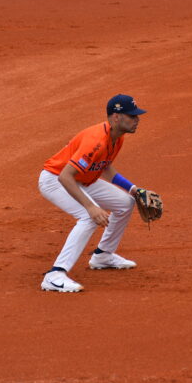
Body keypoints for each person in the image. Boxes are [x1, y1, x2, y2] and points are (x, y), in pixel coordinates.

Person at [38, 94, 148, 292]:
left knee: (125, 203)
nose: (137, 120)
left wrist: (133, 189)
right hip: (55, 180)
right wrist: (90, 207)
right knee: (88, 217)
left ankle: (103, 255)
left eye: (136, 116)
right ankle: (55, 274)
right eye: (132, 116)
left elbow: (105, 167)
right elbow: (65, 177)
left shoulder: (117, 137)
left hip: (83, 179)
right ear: (116, 117)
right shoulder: (95, 140)